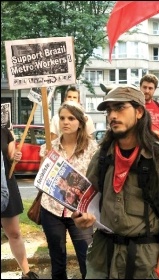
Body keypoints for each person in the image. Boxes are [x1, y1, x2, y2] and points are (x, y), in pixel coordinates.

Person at [72, 85, 159, 279]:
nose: (113, 116)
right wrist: (81, 217)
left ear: (139, 111)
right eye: (109, 111)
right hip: (102, 258)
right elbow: (86, 200)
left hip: (144, 262)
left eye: (120, 108)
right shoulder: (101, 156)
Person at [39, 100, 98, 279]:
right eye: (63, 117)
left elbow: (96, 183)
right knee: (57, 262)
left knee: (86, 261)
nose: (66, 122)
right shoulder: (49, 147)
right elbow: (41, 179)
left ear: (80, 122)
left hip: (80, 213)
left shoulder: (93, 148)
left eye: (71, 118)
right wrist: (46, 162)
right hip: (51, 209)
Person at [1, 126, 39, 279]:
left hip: (5, 185)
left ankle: (26, 273)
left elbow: (10, 156)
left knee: (14, 233)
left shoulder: (4, 132)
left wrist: (15, 156)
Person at [140, 74, 159, 140]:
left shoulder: (158, 105)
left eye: (150, 88)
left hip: (157, 144)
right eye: (144, 87)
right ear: (140, 87)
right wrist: (152, 133)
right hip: (142, 144)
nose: (147, 91)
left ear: (154, 89)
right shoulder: (135, 105)